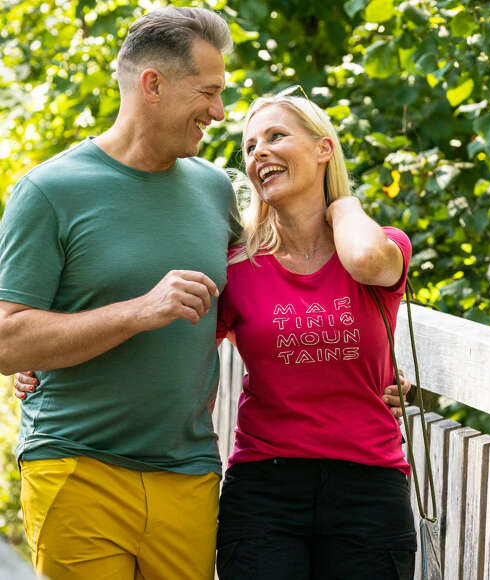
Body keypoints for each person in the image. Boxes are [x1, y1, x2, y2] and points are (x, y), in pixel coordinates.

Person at [0, 7, 240, 579]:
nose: (219, 111)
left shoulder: (214, 190)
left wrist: (369, 371)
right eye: (207, 92)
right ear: (153, 85)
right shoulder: (50, 191)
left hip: (190, 472)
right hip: (77, 466)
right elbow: (7, 341)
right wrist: (137, 311)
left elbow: (282, 281)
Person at [213, 91, 417, 579]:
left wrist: (340, 204)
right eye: (249, 146)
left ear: (324, 149)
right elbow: (172, 347)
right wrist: (56, 365)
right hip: (265, 488)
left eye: (276, 136)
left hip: (368, 488)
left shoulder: (380, 243)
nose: (258, 151)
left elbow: (367, 262)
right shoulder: (237, 265)